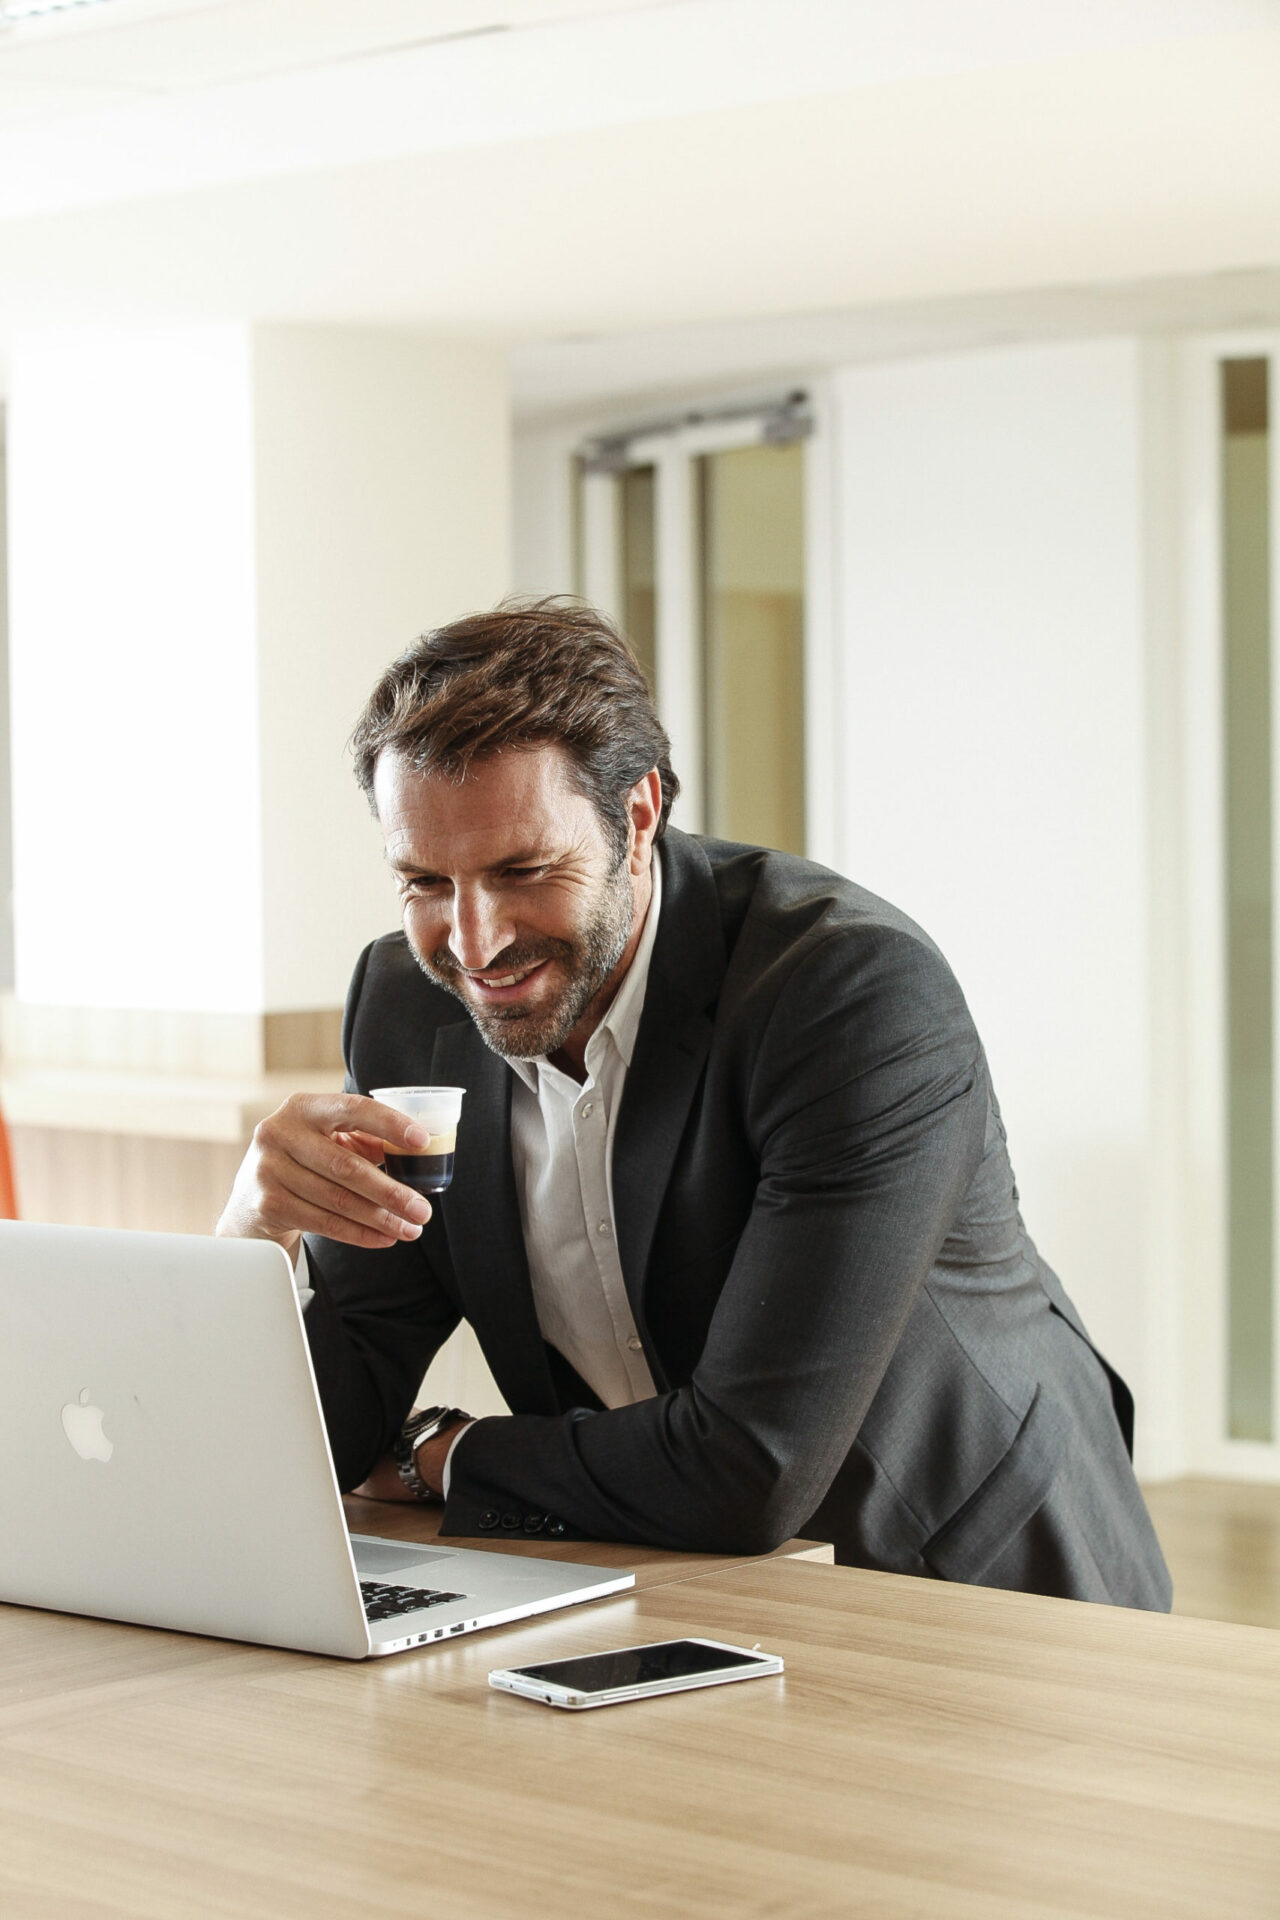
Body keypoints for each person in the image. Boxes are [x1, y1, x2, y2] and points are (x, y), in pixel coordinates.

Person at [218, 600, 1171, 1608]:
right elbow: (337, 1422)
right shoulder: (406, 1007)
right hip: (684, 1578)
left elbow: (750, 1465)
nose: (472, 942)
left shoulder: (847, 993)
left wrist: (450, 1457)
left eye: (521, 871)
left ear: (636, 820)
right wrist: (253, 1233)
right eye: (422, 881)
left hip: (972, 1586)